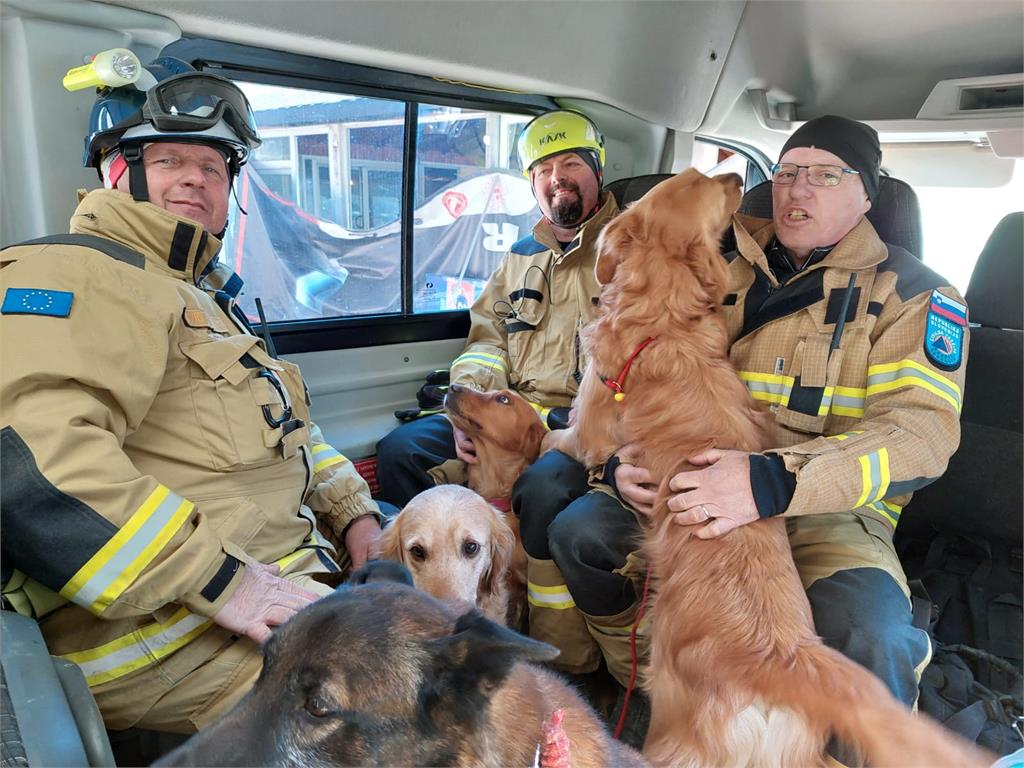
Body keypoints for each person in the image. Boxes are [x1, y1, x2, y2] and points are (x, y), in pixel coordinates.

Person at [516, 115, 969, 737]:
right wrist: (616, 465)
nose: (796, 190)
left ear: (867, 192)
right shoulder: (710, 252)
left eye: (824, 175)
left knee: (873, 635)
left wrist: (770, 481)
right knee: (582, 531)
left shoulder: (914, 295)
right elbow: (633, 379)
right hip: (693, 480)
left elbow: (920, 437)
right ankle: (653, 698)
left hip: (826, 506)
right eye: (786, 173)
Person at [0, 56, 382, 733]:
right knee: (413, 720)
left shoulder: (200, 295)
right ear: (117, 170)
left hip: (284, 583)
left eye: (214, 168)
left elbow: (294, 436)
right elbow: (34, 468)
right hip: (167, 636)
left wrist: (356, 517)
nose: (196, 181)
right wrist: (228, 582)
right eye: (171, 160)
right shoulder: (74, 272)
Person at [375, 109, 619, 507]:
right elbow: (486, 341)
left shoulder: (632, 252)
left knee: (543, 489)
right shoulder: (520, 258)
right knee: (401, 452)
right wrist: (465, 416)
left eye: (571, 163)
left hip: (580, 427)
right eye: (543, 169)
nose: (557, 177)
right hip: (505, 412)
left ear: (597, 170)